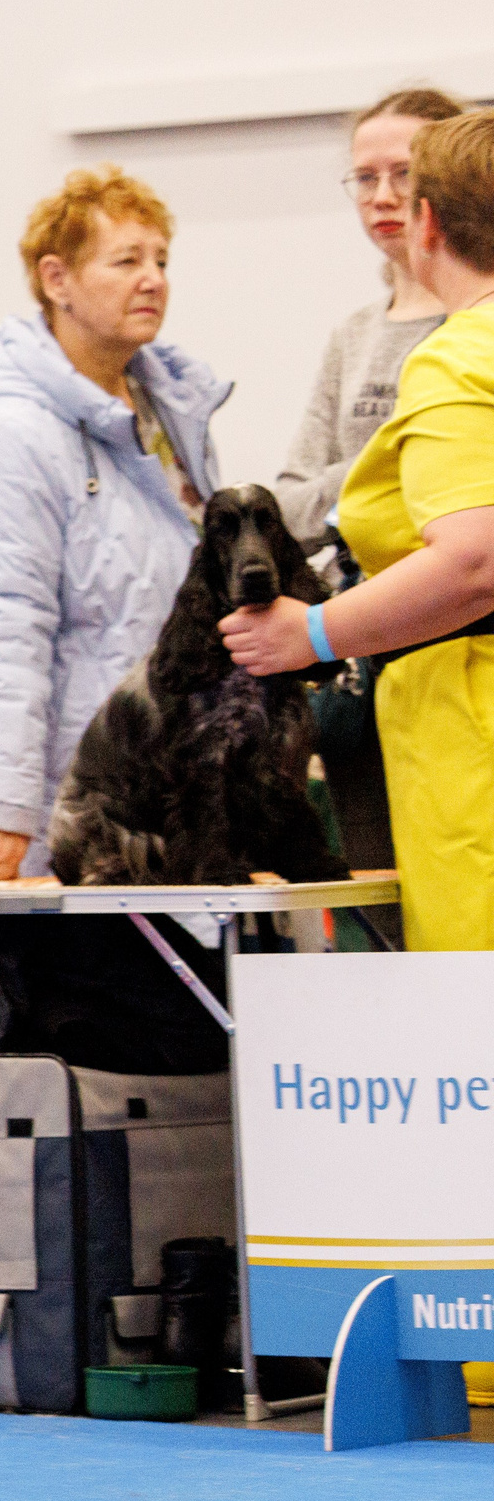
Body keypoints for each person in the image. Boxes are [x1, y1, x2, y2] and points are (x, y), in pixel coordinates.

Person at [226, 107, 494, 954]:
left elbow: (474, 563)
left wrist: (309, 632)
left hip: (472, 721)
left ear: (426, 222)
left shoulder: (459, 359)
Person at [0, 166, 227, 882]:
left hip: (167, 788)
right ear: (56, 279)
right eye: (126, 261)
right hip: (67, 804)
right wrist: (1, 809)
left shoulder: (173, 416)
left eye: (161, 261)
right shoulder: (11, 434)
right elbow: (1, 629)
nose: (152, 279)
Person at [272, 87, 466, 927]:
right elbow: (290, 501)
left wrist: (357, 490)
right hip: (360, 662)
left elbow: (437, 515)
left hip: (454, 646)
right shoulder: (355, 333)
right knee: (380, 902)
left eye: (404, 174)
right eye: (364, 177)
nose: (384, 196)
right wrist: (377, 475)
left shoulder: (469, 333)